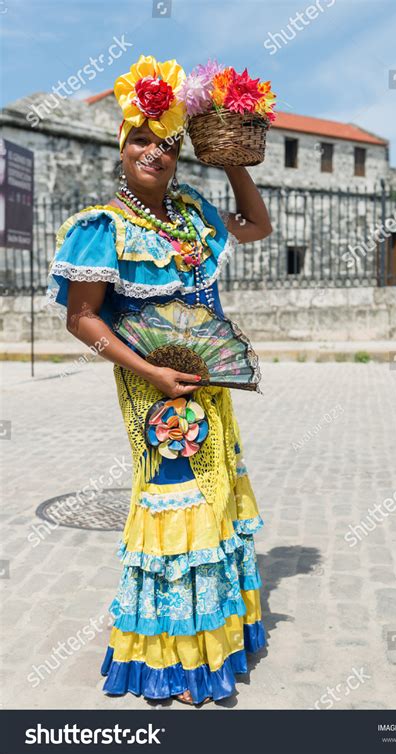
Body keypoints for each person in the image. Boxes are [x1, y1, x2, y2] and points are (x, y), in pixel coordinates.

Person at [47, 55, 272, 706]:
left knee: (217, 503)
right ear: (121, 148)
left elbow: (258, 227)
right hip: (157, 400)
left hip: (211, 390)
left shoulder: (196, 213)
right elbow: (82, 317)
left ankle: (219, 642)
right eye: (140, 139)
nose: (154, 152)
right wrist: (150, 370)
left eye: (166, 143)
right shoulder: (103, 230)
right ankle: (172, 659)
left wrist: (229, 157)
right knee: (178, 508)